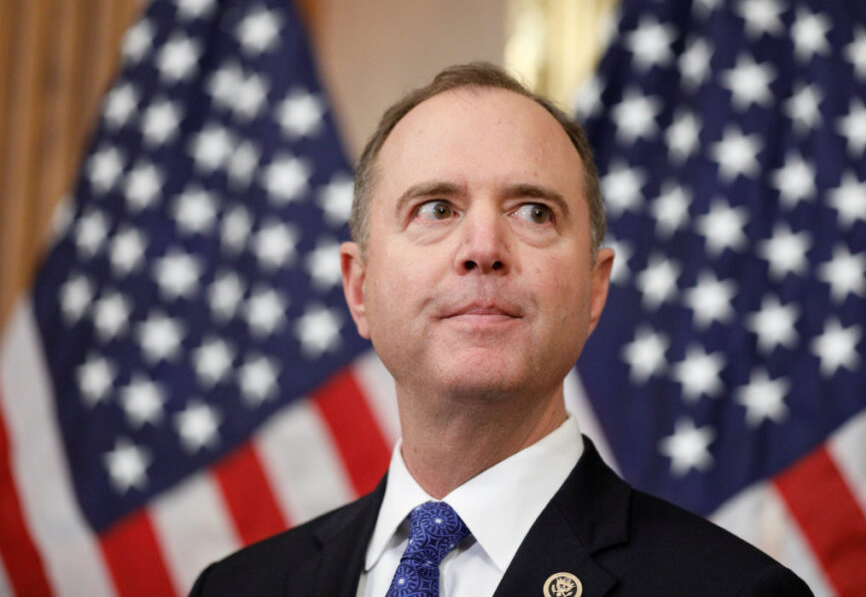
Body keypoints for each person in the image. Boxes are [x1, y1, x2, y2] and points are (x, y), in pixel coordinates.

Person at [190, 63, 812, 596]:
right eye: (436, 208)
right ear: (359, 289)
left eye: (533, 211)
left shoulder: (735, 592)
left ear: (595, 290)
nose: (483, 247)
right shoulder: (235, 589)